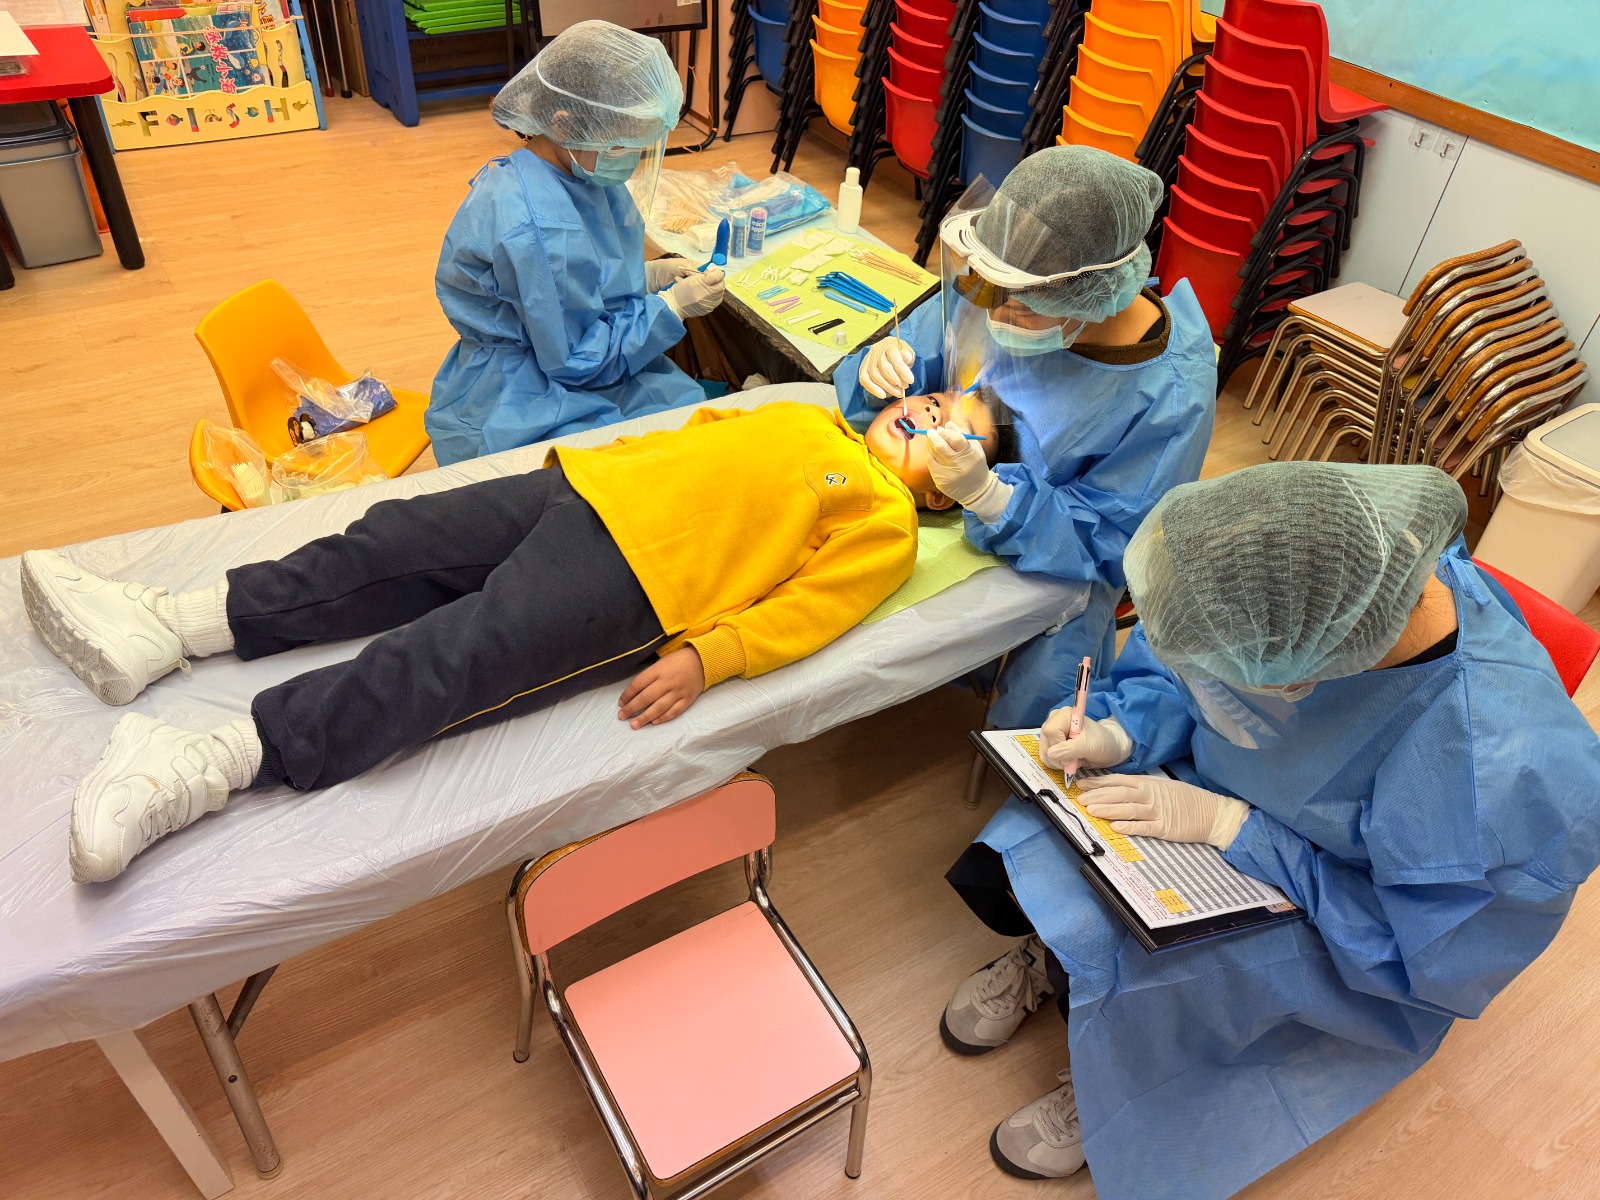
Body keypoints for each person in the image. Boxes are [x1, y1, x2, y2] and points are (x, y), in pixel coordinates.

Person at [939, 462, 1600, 1197]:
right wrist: (1121, 731)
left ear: (1298, 670)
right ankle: (1057, 957)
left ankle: (1118, 1095)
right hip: (1226, 783)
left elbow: (1428, 959)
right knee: (1067, 826)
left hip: (1339, 911)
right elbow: (1188, 661)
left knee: (1188, 972)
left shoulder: (1504, 770)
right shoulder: (1310, 555)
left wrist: (1241, 832)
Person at [23, 393, 1003, 884]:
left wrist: (712, 656)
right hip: (578, 488)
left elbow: (815, 609)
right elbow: (688, 436)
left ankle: (210, 759)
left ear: (950, 490)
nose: (928, 416)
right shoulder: (807, 415)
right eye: (931, 400)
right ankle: (172, 625)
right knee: (390, 541)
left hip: (640, 587)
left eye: (957, 435)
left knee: (458, 656)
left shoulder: (886, 519)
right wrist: (583, 468)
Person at [835, 145, 1216, 729]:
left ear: (1092, 293)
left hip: (1060, 558)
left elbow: (1107, 539)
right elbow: (924, 352)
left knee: (1045, 703)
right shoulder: (1000, 280)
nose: (996, 315)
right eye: (993, 291)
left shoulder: (1167, 397)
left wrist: (993, 499)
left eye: (1023, 308)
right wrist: (878, 369)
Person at [426, 21, 726, 466]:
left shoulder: (571, 170)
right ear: (564, 125)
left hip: (573, 346)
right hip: (532, 385)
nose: (631, 159)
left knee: (689, 421)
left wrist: (646, 277)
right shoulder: (537, 224)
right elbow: (575, 360)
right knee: (647, 460)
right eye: (622, 145)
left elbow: (581, 275)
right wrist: (670, 308)